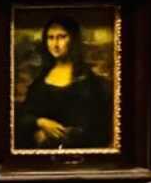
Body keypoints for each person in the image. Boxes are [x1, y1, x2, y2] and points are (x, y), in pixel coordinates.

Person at [15, 14, 114, 150]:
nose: (55, 44)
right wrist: (40, 122)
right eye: (50, 38)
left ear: (73, 39)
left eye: (61, 37)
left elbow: (98, 128)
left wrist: (64, 136)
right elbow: (25, 117)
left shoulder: (89, 82)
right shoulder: (40, 82)